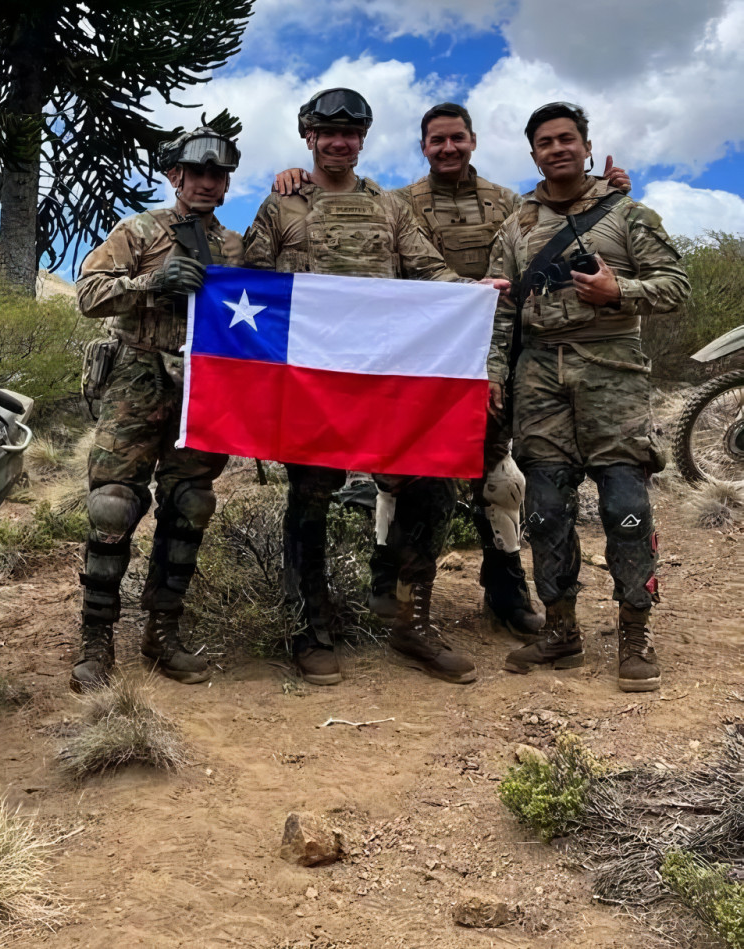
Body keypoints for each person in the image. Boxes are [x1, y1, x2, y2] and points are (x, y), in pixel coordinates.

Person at [273, 103, 630, 641]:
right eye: (436, 140)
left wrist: (606, 190)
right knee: (401, 474)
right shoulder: (394, 203)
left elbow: (562, 216)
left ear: (473, 140)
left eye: (457, 138)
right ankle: (386, 580)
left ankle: (505, 586)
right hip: (417, 362)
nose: (448, 148)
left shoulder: (509, 203)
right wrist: (296, 180)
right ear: (423, 147)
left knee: (499, 479)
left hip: (494, 354)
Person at [244, 88, 507, 687]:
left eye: (350, 133)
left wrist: (470, 294)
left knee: (430, 489)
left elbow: (427, 268)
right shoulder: (279, 207)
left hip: (386, 380)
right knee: (309, 500)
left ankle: (410, 620)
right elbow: (251, 286)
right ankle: (312, 627)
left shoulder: (390, 208)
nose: (339, 142)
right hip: (311, 382)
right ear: (308, 136)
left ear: (363, 139)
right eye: (326, 132)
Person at [485, 101, 690, 692]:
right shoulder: (516, 226)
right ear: (534, 154)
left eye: (566, 139)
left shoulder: (626, 213)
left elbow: (675, 285)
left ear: (584, 144)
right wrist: (495, 371)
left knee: (625, 506)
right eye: (545, 142)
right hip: (539, 375)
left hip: (612, 368)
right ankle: (560, 630)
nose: (557, 149)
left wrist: (616, 289)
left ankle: (635, 633)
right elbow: (502, 308)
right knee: (546, 509)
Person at [70, 125, 245, 692]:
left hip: (204, 385)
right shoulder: (140, 230)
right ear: (176, 176)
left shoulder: (237, 247)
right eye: (196, 172)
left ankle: (162, 630)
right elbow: (88, 293)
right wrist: (151, 282)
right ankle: (96, 637)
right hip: (137, 377)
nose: (206, 182)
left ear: (225, 184)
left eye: (217, 175)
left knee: (190, 503)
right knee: (113, 506)